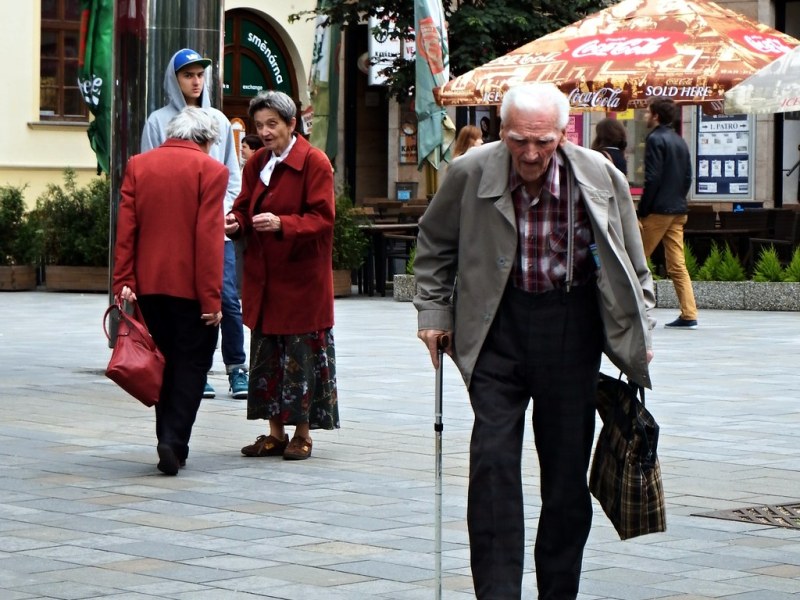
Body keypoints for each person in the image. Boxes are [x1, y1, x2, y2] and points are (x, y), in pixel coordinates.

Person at [413, 82, 655, 600]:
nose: (529, 153)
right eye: (519, 139)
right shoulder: (469, 171)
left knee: (566, 477)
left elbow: (635, 263)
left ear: (562, 134)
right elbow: (433, 245)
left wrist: (641, 329)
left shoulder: (596, 174)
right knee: (493, 463)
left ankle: (558, 591)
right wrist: (433, 313)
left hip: (570, 328)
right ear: (502, 131)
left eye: (542, 142)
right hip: (496, 327)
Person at [113, 107, 228, 475]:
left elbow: (126, 230)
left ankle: (168, 439)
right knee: (191, 365)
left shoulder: (139, 165)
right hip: (191, 290)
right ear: (207, 139)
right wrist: (212, 299)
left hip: (148, 287)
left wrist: (123, 283)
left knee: (160, 362)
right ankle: (174, 440)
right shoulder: (211, 171)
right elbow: (209, 239)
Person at [225, 90, 339, 461]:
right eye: (260, 125)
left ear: (292, 124)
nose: (265, 131)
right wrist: (235, 223)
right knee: (269, 354)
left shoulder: (314, 163)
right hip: (265, 278)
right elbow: (243, 207)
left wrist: (282, 223)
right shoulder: (256, 162)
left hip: (302, 279)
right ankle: (275, 433)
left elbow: (323, 219)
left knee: (300, 356)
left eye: (272, 124)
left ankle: (302, 434)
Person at [141, 48, 248, 400]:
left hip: (216, 232)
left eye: (200, 74)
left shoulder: (217, 119)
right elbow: (150, 174)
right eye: (188, 75)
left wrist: (223, 213)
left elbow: (233, 175)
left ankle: (236, 368)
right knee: (185, 303)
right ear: (175, 80)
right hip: (176, 235)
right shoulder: (158, 121)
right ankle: (195, 369)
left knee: (227, 300)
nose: (196, 81)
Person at [638, 96, 698, 329]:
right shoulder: (679, 140)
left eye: (647, 112)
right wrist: (679, 199)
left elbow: (652, 177)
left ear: (656, 116)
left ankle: (634, 310)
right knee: (677, 264)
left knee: (636, 261)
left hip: (658, 210)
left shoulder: (654, 139)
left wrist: (644, 208)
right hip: (677, 209)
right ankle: (689, 312)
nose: (645, 116)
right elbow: (687, 177)